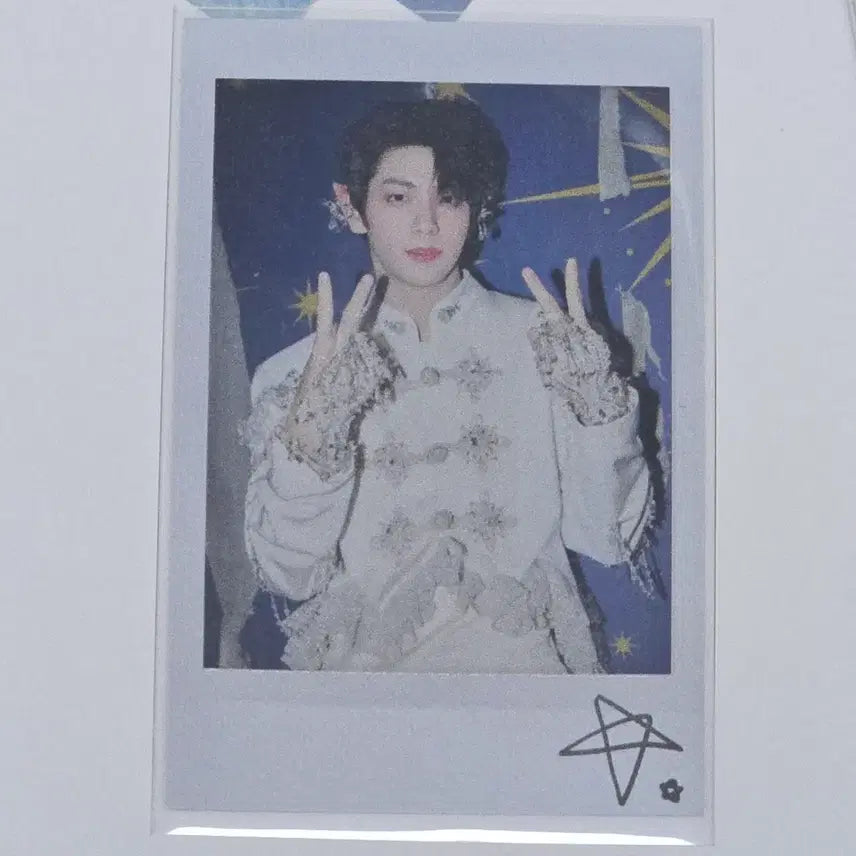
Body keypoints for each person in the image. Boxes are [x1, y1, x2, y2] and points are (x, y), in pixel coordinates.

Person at [241, 97, 654, 673]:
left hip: (522, 669)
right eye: (398, 197)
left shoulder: (548, 343)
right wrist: (311, 438)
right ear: (352, 206)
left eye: (450, 196)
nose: (427, 223)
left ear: (476, 208)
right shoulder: (296, 373)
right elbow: (290, 575)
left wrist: (597, 410)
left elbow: (608, 537)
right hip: (369, 684)